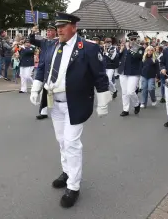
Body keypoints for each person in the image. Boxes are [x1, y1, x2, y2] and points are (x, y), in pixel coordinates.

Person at [29, 12, 111, 208]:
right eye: (57, 27)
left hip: (75, 103)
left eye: (63, 26)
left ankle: (73, 186)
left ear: (74, 27)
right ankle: (67, 172)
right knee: (61, 140)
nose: (59, 30)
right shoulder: (51, 45)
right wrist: (36, 87)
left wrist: (103, 102)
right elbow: (42, 68)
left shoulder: (88, 48)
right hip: (54, 101)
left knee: (72, 142)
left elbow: (100, 75)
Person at [29, 23, 58, 120]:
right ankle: (43, 112)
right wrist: (33, 31)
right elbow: (32, 40)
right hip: (42, 67)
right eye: (48, 31)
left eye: (51, 31)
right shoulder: (43, 42)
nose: (49, 32)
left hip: (53, 68)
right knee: (41, 90)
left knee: (53, 91)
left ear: (55, 32)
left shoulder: (58, 42)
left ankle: (59, 111)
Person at [117, 31, 144, 116]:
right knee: (124, 92)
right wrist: (121, 51)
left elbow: (138, 57)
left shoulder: (139, 48)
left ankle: (136, 104)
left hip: (134, 72)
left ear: (137, 39)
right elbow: (117, 58)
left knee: (131, 91)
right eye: (131, 39)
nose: (133, 40)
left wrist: (129, 48)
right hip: (123, 71)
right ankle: (125, 109)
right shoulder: (124, 47)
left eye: (134, 39)